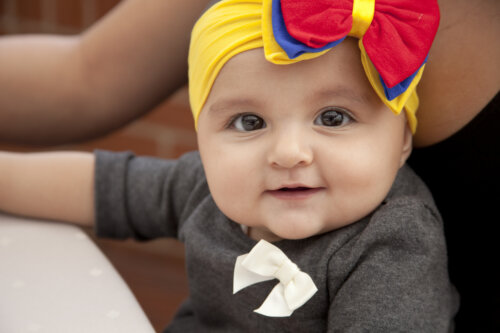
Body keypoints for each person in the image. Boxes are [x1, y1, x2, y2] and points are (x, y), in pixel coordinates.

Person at [0, 0, 498, 331]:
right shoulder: (204, 187)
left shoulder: (392, 244)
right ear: (202, 137)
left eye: (332, 117)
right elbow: (101, 185)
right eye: (248, 122)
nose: (287, 152)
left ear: (403, 140)